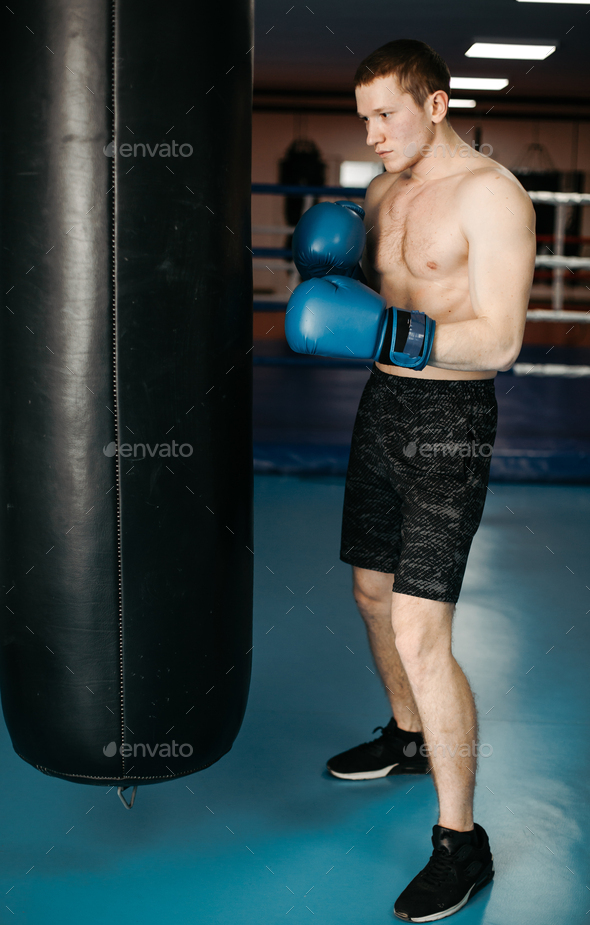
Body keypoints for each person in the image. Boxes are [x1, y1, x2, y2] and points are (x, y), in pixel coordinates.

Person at [287, 39, 536, 922]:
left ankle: (461, 841)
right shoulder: (381, 192)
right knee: (370, 592)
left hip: (450, 423)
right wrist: (328, 274)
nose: (374, 135)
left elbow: (501, 338)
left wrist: (390, 335)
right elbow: (369, 295)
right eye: (364, 119)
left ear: (436, 104)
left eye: (387, 115)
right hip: (381, 409)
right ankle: (408, 735)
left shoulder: (492, 197)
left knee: (423, 629)